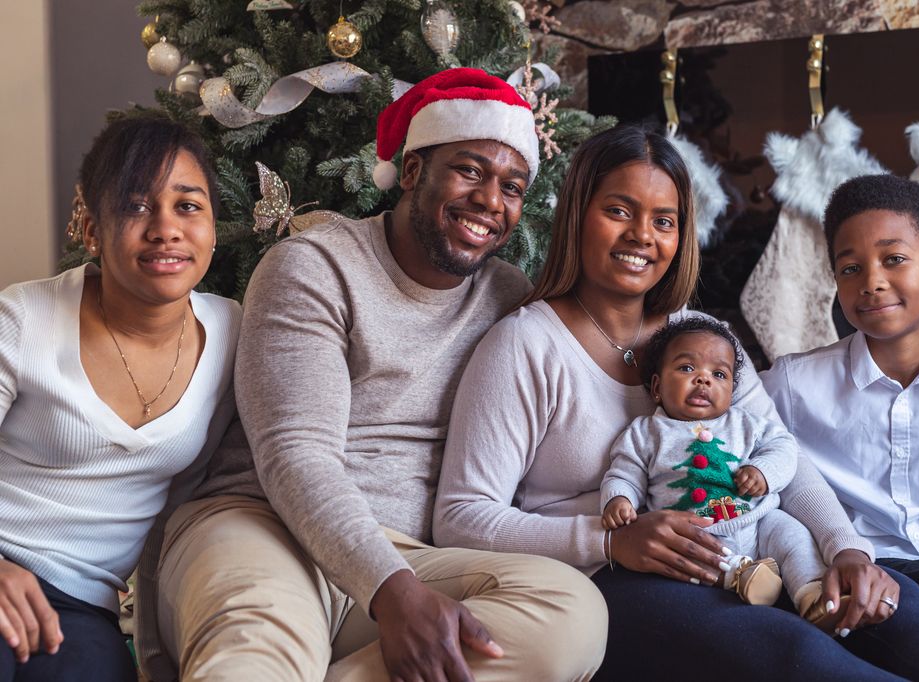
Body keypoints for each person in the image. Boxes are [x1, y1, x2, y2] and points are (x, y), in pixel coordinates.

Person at [434, 124, 919, 680]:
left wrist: (848, 550)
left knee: (904, 611)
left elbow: (783, 457)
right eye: (618, 211)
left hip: (752, 545)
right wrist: (607, 538)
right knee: (794, 649)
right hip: (608, 579)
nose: (643, 234)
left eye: (664, 219)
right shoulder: (524, 345)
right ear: (577, 216)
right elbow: (460, 516)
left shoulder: (704, 336)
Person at [139, 68, 607, 682]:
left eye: (512, 186)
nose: (492, 201)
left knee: (569, 612)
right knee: (253, 657)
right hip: (263, 524)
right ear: (412, 171)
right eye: (469, 170)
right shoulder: (313, 267)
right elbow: (295, 457)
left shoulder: (507, 297)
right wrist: (393, 593)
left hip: (413, 556)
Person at [0, 113, 239, 681]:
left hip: (82, 610)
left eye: (187, 206)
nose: (165, 229)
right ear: (91, 230)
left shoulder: (238, 335)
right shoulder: (22, 319)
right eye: (136, 206)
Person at [761, 173, 919, 646]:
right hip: (862, 575)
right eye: (850, 269)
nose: (872, 282)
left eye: (894, 259)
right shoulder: (791, 386)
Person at [601, 317, 844, 627]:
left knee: (794, 537)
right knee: (688, 562)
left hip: (759, 520)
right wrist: (618, 500)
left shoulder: (746, 424)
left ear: (731, 390)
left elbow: (784, 448)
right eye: (687, 368)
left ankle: (812, 593)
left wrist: (763, 471)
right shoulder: (645, 433)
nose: (704, 380)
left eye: (718, 374)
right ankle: (740, 578)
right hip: (694, 531)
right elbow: (624, 473)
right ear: (657, 387)